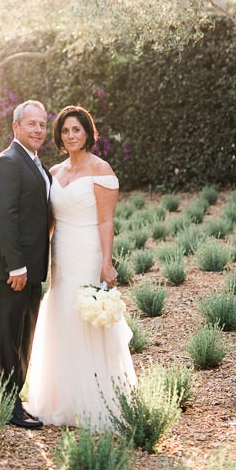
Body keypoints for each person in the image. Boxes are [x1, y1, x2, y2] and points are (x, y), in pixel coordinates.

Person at [27, 104, 136, 429]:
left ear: (87, 133)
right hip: (61, 252)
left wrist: (107, 262)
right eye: (65, 130)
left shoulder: (101, 169)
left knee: (85, 317)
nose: (70, 135)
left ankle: (96, 401)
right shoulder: (55, 172)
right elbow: (48, 221)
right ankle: (61, 400)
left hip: (89, 251)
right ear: (59, 137)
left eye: (76, 129)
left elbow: (106, 221)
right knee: (61, 314)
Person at [0, 99, 51, 429]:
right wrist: (17, 267)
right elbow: (3, 218)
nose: (38, 129)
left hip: (31, 268)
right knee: (9, 339)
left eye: (42, 125)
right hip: (12, 269)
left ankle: (15, 400)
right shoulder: (8, 162)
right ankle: (8, 406)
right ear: (16, 127)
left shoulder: (36, 163)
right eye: (31, 124)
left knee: (25, 337)